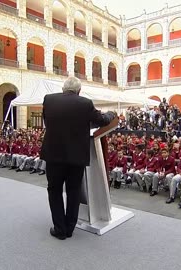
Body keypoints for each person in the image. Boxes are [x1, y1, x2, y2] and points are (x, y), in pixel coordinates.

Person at [40, 77, 115, 240]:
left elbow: (47, 121)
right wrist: (111, 113)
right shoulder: (85, 103)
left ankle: (59, 229)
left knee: (54, 191)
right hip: (75, 157)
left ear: (63, 89)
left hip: (53, 154)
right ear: (79, 90)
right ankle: (69, 228)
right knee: (73, 192)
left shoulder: (49, 100)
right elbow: (101, 121)